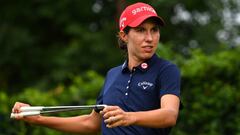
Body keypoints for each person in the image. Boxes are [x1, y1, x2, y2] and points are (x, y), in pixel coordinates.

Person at [12, 2, 181, 135]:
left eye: (154, 30)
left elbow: (169, 115)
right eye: (141, 30)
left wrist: (129, 117)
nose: (150, 38)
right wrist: (39, 119)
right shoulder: (113, 75)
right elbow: (91, 124)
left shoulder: (166, 70)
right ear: (124, 35)